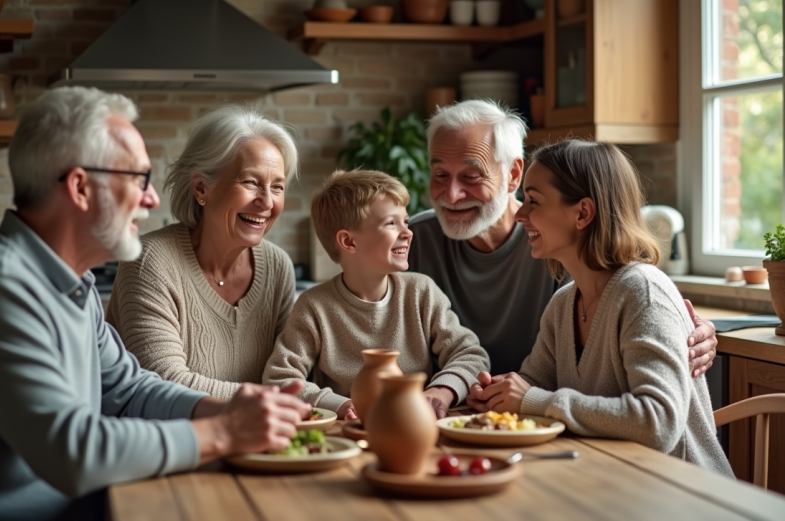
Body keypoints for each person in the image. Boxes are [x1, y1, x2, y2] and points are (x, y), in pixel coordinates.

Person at [0, 88, 309, 521]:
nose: (152, 200)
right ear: (81, 187)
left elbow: (129, 390)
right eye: (136, 180)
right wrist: (223, 432)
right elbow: (73, 453)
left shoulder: (71, 285)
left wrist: (223, 409)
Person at [467, 139, 732, 476]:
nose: (520, 214)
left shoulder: (643, 291)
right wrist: (497, 395)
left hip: (685, 494)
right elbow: (533, 383)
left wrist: (532, 399)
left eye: (533, 201)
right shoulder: (563, 304)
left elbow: (658, 423)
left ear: (583, 213)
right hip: (611, 479)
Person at [408, 99, 718, 376]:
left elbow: (633, 294)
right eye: (440, 175)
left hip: (549, 418)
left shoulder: (560, 237)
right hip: (463, 410)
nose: (450, 194)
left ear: (513, 175)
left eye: (471, 176)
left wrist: (690, 331)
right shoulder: (411, 240)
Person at [263, 170, 490, 420]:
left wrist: (442, 390)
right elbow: (280, 378)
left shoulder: (422, 292)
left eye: (406, 220)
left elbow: (471, 355)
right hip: (345, 431)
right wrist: (338, 405)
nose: (408, 232)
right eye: (391, 223)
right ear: (348, 242)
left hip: (416, 424)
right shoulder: (314, 307)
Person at [106, 105, 298, 399]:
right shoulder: (150, 260)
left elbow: (288, 376)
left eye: (278, 187)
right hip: (168, 440)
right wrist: (271, 400)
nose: (267, 202)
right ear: (201, 188)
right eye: (250, 182)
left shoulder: (277, 267)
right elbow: (163, 382)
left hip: (258, 438)